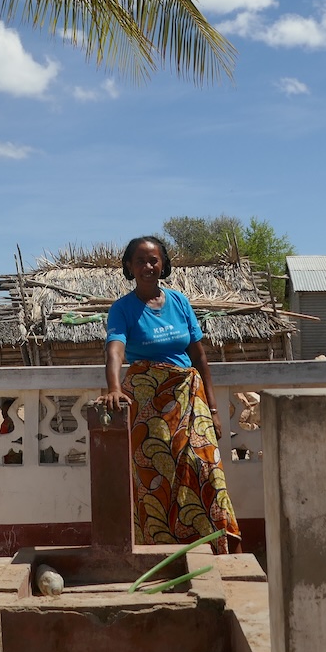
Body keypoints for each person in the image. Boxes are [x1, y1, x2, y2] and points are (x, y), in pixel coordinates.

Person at [99, 236, 241, 554]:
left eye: (154, 260)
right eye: (140, 261)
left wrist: (215, 410)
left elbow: (200, 358)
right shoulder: (122, 310)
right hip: (149, 406)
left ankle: (212, 547)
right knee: (157, 477)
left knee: (205, 468)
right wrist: (113, 387)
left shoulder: (179, 302)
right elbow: (115, 352)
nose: (148, 266)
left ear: (163, 264)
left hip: (189, 398)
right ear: (129, 267)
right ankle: (160, 551)